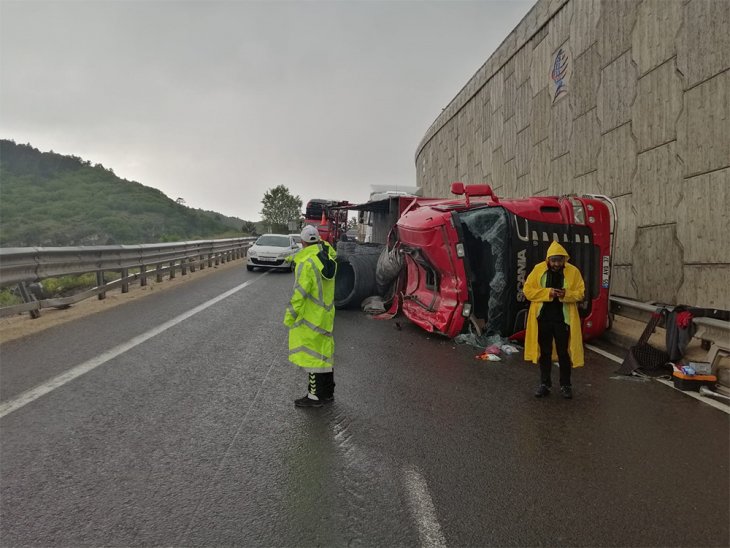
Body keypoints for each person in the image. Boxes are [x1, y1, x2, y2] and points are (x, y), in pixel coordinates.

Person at [523, 241, 585, 399]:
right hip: (543, 319)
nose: (557, 264)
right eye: (554, 260)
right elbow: (528, 291)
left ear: (564, 259)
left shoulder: (573, 272)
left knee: (564, 353)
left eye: (559, 260)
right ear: (548, 260)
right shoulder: (538, 270)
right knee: (545, 352)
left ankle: (566, 385)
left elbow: (580, 293)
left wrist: (566, 294)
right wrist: (548, 293)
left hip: (563, 320)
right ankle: (545, 384)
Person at [284, 225, 337, 407]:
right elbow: (331, 252)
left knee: (312, 356)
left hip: (311, 315)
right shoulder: (326, 257)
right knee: (324, 353)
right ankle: (328, 392)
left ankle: (314, 397)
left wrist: (289, 317)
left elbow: (300, 293)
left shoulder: (306, 263)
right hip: (326, 313)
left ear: (302, 241)